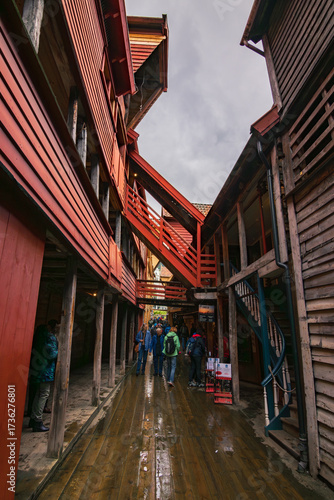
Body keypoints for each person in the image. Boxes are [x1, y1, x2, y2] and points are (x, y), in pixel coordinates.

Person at [29, 321, 58, 432]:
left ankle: (33, 417)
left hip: (37, 368)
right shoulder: (49, 337)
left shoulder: (38, 337)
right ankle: (37, 420)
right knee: (44, 393)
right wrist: (60, 351)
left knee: (38, 393)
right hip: (46, 370)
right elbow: (52, 353)